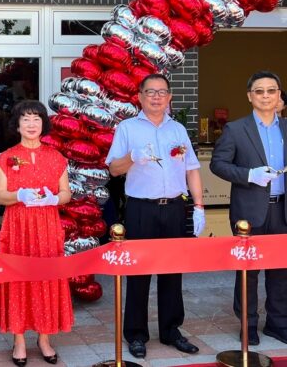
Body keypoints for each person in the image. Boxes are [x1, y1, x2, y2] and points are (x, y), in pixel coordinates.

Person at [105, 74, 205, 359]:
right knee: (138, 273)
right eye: (151, 92)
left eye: (162, 92)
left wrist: (198, 206)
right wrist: (133, 157)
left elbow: (192, 168)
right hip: (141, 208)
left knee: (173, 271)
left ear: (170, 97)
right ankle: (136, 334)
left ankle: (171, 330)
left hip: (174, 206)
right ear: (139, 96)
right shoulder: (127, 128)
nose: (157, 97)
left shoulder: (177, 129)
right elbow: (113, 169)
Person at [210, 70, 287, 346]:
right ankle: (248, 324)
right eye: (259, 91)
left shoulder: (286, 128)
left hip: (283, 211)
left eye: (271, 90)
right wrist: (249, 175)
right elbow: (217, 164)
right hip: (249, 212)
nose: (265, 96)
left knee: (281, 270)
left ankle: (278, 324)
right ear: (250, 96)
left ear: (279, 95)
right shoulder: (236, 128)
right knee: (248, 271)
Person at [0, 100, 73, 366]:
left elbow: (66, 194)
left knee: (46, 278)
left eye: (36, 119)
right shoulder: (6, 157)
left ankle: (44, 338)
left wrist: (53, 200)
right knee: (18, 279)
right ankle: (19, 341)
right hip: (17, 228)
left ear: (43, 124)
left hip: (48, 226)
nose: (31, 124)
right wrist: (20, 195)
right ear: (17, 125)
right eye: (25, 119)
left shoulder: (56, 157)